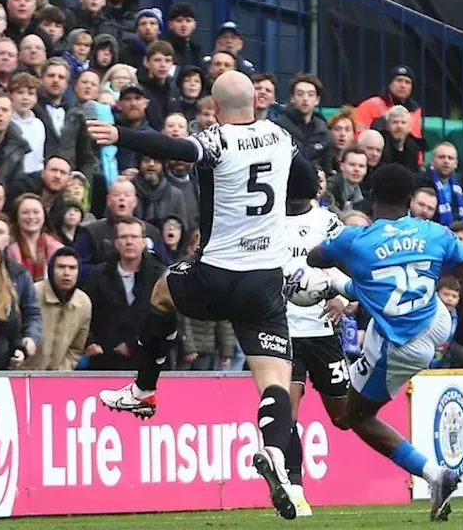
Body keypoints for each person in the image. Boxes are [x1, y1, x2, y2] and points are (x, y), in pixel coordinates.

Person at [85, 70, 320, 519]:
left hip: (215, 273)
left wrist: (120, 134)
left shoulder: (216, 141)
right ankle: (275, 456)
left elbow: (175, 149)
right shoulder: (280, 137)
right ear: (256, 102)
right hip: (264, 281)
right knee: (273, 379)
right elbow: (307, 187)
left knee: (161, 291)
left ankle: (145, 389)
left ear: (213, 107)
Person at [306, 162, 463, 521]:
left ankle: (434, 475)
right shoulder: (435, 233)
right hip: (437, 321)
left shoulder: (354, 240)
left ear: (370, 196)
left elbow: (315, 257)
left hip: (399, 345)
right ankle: (348, 291)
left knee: (349, 418)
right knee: (387, 291)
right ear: (410, 199)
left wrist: (342, 266)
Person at [277, 162, 350, 517]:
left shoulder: (328, 223)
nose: (291, 203)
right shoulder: (267, 221)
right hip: (282, 331)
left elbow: (350, 269)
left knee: (344, 416)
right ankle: (294, 489)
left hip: (322, 331)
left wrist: (342, 299)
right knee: (285, 415)